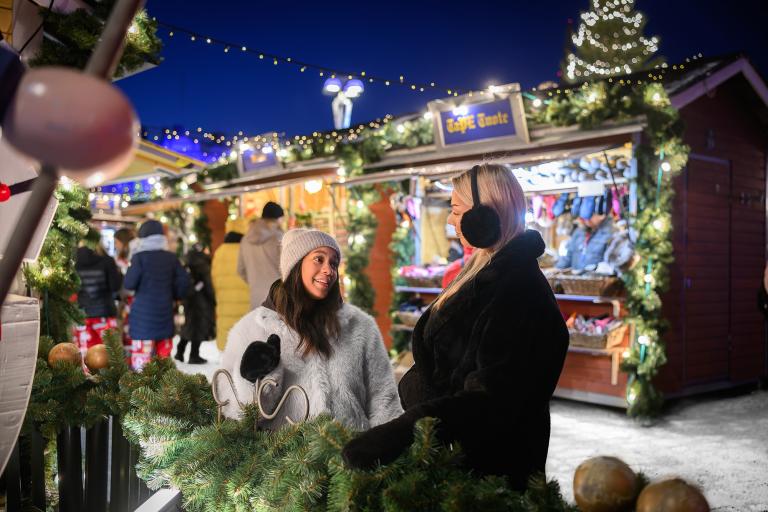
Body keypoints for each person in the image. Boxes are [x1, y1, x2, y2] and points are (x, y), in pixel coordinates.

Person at [341, 164, 570, 491]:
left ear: (486, 215)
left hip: (487, 473)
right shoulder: (484, 270)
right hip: (453, 460)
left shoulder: (518, 290)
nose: (450, 219)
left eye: (457, 210)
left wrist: (401, 431)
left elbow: (490, 401)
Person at [219, 228, 403, 430]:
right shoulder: (250, 329)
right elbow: (235, 415)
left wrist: (382, 447)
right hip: (283, 459)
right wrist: (251, 379)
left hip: (349, 456)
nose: (329, 270)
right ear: (295, 265)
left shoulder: (360, 327)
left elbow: (383, 397)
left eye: (333, 263)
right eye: (319, 259)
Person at [124, 220, 190, 370]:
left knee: (142, 368)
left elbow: (129, 284)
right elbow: (184, 281)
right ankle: (165, 393)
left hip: (142, 322)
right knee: (164, 365)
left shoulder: (139, 257)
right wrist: (176, 296)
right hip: (165, 317)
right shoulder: (171, 258)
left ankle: (140, 393)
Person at [72, 237, 123, 355]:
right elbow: (115, 287)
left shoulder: (73, 262)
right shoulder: (107, 261)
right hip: (105, 314)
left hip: (82, 316)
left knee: (86, 357)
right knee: (110, 356)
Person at [211, 217, 251, 351]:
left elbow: (214, 278)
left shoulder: (219, 252)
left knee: (227, 345)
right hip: (246, 304)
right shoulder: (247, 250)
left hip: (224, 304)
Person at [238, 202, 284, 309]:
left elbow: (240, 270)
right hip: (278, 299)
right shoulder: (280, 238)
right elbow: (289, 269)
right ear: (278, 219)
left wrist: (255, 284)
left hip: (255, 301)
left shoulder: (245, 240)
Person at [176, 245, 216, 364]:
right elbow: (208, 284)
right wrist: (213, 299)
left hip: (189, 299)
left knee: (189, 325)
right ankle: (194, 355)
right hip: (201, 300)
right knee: (198, 327)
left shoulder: (187, 262)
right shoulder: (202, 263)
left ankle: (179, 352)